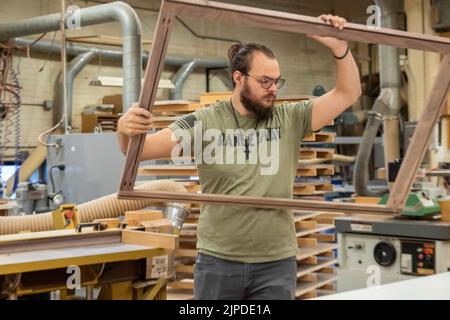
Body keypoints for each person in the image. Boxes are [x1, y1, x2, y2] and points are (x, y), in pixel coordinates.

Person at [117, 14, 361, 300]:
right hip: (219, 260)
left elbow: (349, 93)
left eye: (276, 81)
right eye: (265, 81)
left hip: (276, 261)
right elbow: (138, 150)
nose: (273, 89)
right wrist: (124, 130)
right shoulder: (205, 123)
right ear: (238, 78)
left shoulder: (290, 118)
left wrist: (340, 49)